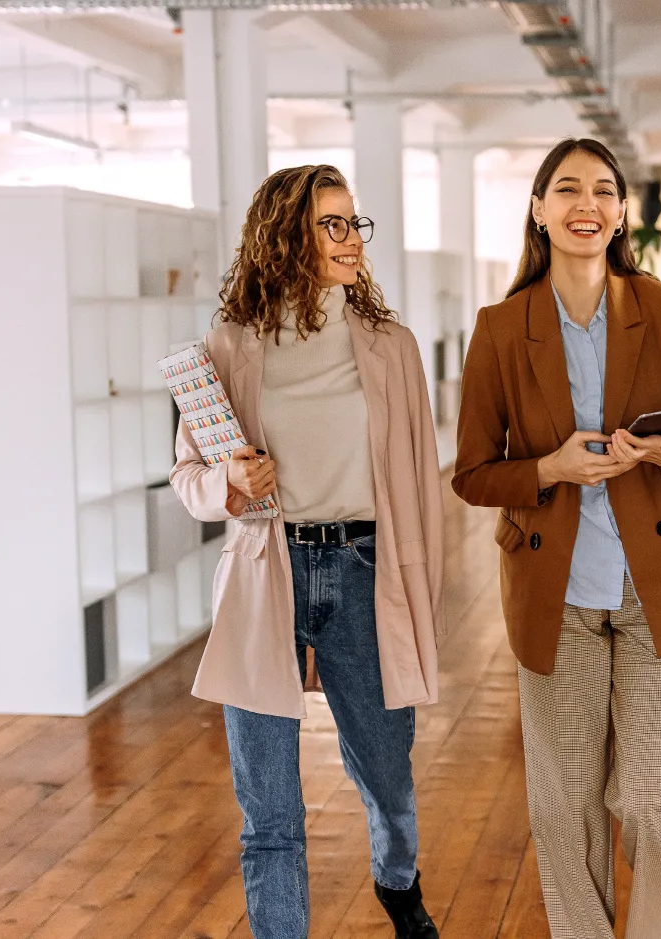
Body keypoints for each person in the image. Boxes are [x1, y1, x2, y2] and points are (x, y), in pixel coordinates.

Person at [452, 138, 661, 939]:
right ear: (538, 209)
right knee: (564, 797)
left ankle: (659, 932)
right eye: (567, 189)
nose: (587, 204)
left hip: (657, 589)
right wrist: (549, 467)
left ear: (620, 213)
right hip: (557, 595)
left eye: (604, 191)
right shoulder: (502, 327)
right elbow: (472, 472)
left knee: (651, 792)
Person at [169, 165, 446, 939]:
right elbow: (187, 473)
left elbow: (422, 477)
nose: (352, 239)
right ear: (284, 233)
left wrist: (426, 594)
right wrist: (226, 480)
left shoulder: (393, 348)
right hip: (267, 576)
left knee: (387, 770)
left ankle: (399, 881)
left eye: (355, 223)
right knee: (270, 810)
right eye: (332, 224)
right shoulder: (228, 346)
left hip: (366, 570)